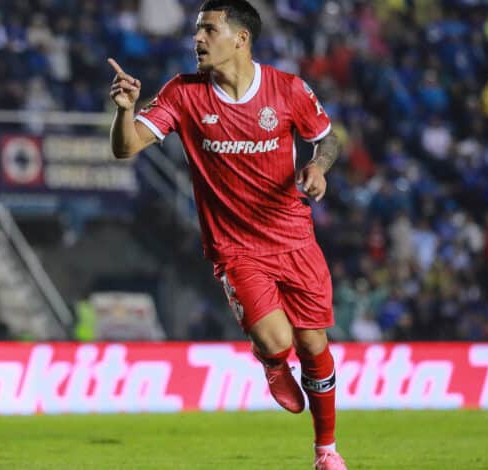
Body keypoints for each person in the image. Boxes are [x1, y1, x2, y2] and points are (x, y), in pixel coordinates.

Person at [108, 1, 345, 468]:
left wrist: (319, 166)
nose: (197, 40)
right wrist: (126, 110)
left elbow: (327, 137)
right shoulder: (183, 94)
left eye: (208, 30)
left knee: (315, 345)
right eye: (197, 31)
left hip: (295, 236)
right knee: (279, 341)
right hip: (237, 248)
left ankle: (326, 452)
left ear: (240, 38)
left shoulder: (288, 89)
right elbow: (127, 146)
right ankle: (273, 363)